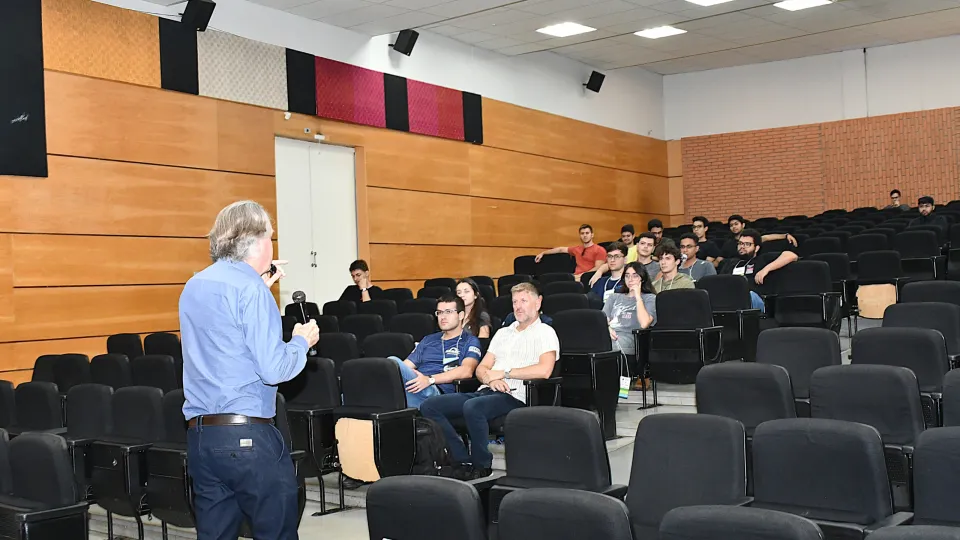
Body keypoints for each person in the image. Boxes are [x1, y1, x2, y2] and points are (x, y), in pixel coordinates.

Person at [180, 200, 320, 540]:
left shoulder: (194, 285)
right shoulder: (250, 290)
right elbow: (274, 369)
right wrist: (302, 341)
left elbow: (225, 334)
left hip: (202, 438)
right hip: (248, 439)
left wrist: (261, 283)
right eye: (271, 238)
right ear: (258, 241)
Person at [420, 282, 559, 480]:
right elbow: (481, 368)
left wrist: (504, 374)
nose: (518, 306)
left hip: (516, 394)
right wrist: (490, 379)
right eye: (514, 302)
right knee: (430, 406)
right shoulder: (503, 333)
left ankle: (482, 465)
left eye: (524, 301)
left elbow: (545, 370)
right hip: (486, 390)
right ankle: (462, 459)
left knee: (473, 407)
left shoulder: (545, 332)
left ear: (538, 303)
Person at [391, 295, 482, 408]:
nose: (443, 317)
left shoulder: (470, 341)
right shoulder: (428, 340)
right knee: (391, 368)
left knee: (392, 361)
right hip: (416, 387)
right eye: (439, 312)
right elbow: (405, 366)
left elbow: (466, 371)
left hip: (438, 392)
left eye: (448, 312)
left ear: (461, 315)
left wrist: (430, 380)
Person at [719, 228, 798, 311]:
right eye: (740, 243)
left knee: (749, 295)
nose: (742, 247)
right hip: (730, 298)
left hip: (753, 299)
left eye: (747, 244)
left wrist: (766, 269)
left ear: (756, 248)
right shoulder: (730, 263)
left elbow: (791, 255)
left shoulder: (762, 259)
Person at [603, 262, 657, 358]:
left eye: (635, 276)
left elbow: (644, 324)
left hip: (630, 339)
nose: (630, 280)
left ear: (642, 279)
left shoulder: (650, 298)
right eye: (627, 276)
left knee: (607, 345)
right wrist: (607, 329)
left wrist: (637, 296)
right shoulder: (614, 297)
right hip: (609, 336)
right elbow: (602, 321)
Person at [534, 224, 606, 279]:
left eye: (587, 233)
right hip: (575, 276)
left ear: (592, 235)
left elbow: (598, 268)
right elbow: (560, 249)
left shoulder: (599, 250)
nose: (585, 235)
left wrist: (582, 275)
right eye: (582, 233)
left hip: (588, 278)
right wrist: (543, 253)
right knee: (552, 278)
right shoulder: (577, 249)